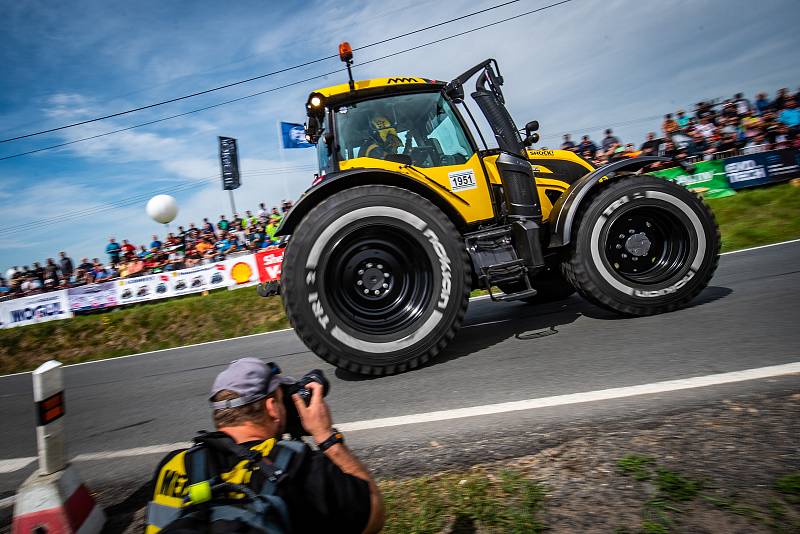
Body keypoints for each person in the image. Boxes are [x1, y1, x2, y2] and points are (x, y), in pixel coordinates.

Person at [146, 358, 384, 533]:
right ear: (271, 407)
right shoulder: (299, 465)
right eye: (282, 400)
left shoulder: (173, 465)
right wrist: (326, 437)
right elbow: (373, 515)